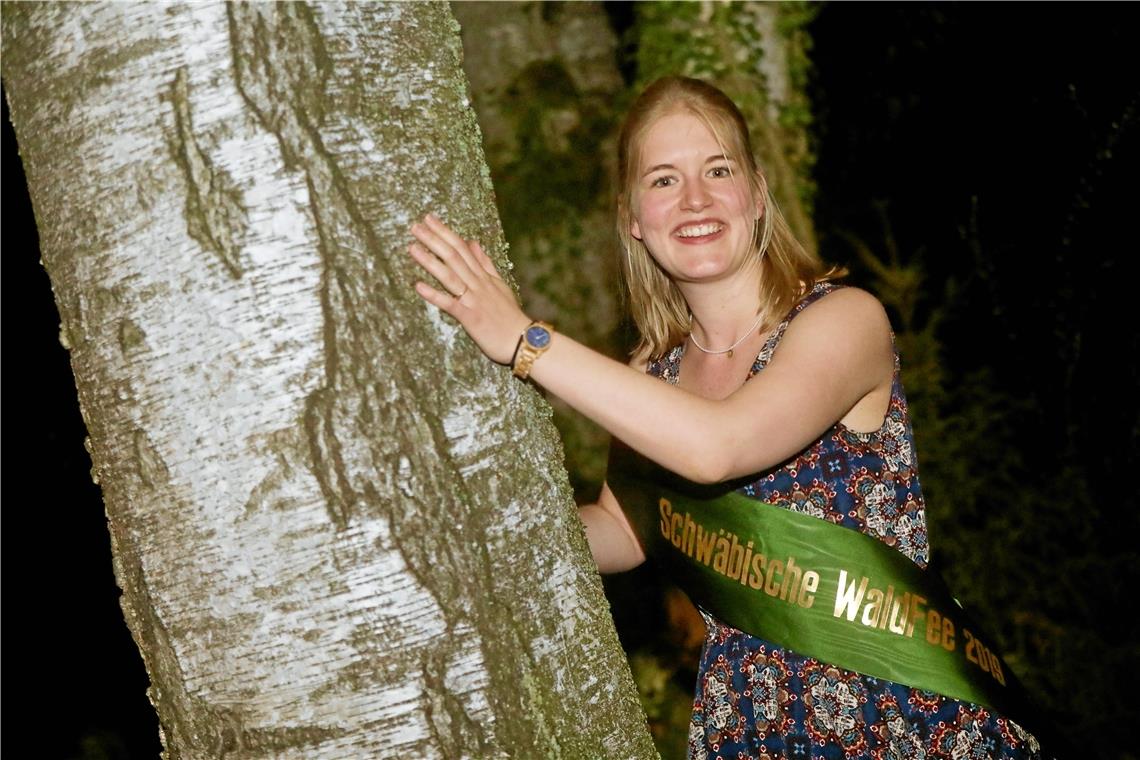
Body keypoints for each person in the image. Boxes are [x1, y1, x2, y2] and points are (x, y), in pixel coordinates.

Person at [409, 76, 1042, 759]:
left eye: (718, 170)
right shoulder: (652, 375)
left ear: (758, 192)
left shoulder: (842, 321)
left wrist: (525, 341)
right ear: (631, 216)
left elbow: (718, 447)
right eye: (662, 180)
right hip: (748, 721)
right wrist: (470, 518)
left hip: (891, 709)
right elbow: (623, 529)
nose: (696, 200)